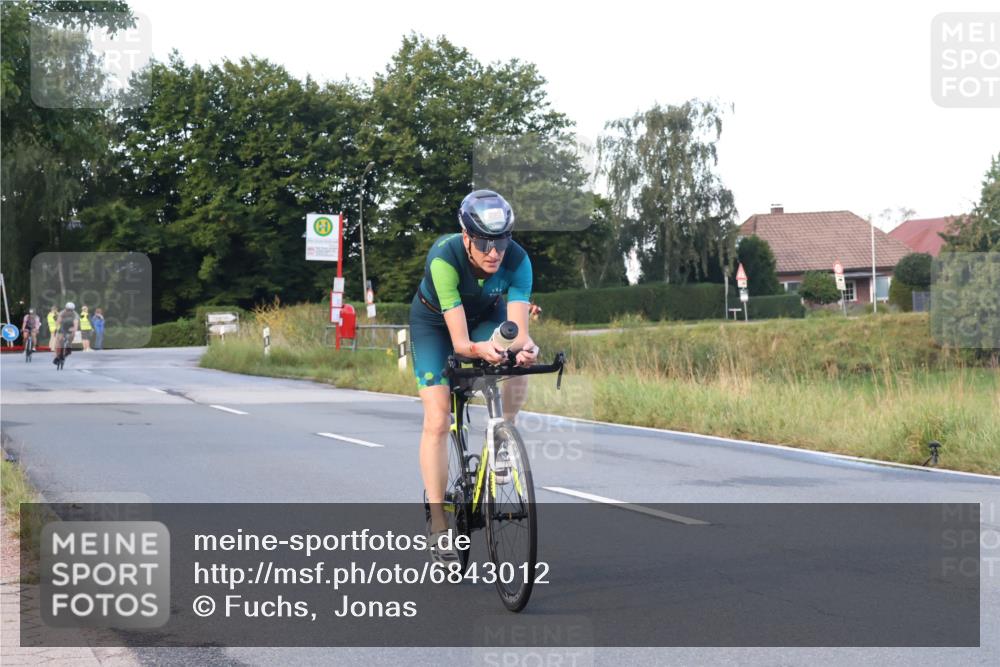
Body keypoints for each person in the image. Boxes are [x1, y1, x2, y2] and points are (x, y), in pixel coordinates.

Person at [409, 190, 539, 563]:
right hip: (436, 325)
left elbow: (517, 329)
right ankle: (438, 523)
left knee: (518, 359)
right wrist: (481, 351)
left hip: (485, 317)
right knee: (437, 419)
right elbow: (463, 344)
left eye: (501, 241)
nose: (494, 252)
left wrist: (526, 349)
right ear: (466, 237)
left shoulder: (518, 260)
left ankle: (503, 437)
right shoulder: (444, 258)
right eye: (483, 242)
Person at [53, 302, 80, 367]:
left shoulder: (75, 315)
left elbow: (76, 325)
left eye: (71, 310)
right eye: (68, 310)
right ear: (65, 308)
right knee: (58, 341)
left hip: (71, 327)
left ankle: (68, 347)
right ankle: (57, 357)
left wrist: (74, 330)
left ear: (73, 310)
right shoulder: (62, 313)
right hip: (63, 327)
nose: (69, 311)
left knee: (72, 336)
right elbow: (58, 322)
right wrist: (56, 329)